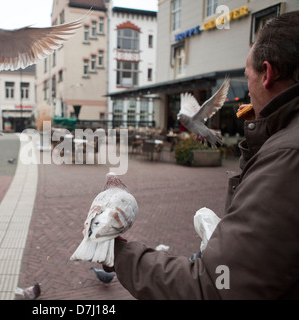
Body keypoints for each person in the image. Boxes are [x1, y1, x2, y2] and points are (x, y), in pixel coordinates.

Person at [105, 11, 299, 299]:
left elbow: (214, 286)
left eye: (248, 79)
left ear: (267, 74)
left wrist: (115, 251)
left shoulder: (286, 157)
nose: (247, 94)